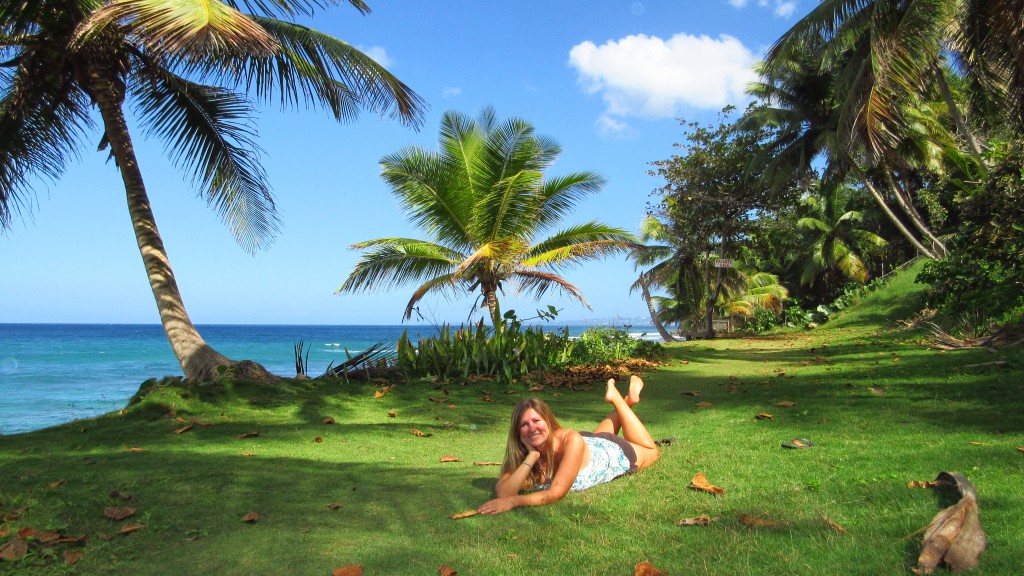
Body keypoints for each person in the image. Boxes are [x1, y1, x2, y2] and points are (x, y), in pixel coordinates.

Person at [477, 375, 660, 515]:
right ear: (517, 431)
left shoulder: (570, 440)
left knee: (653, 452)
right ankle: (627, 401)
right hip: (588, 444)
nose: (531, 428)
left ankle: (619, 399)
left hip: (610, 452)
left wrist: (514, 502)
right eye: (524, 424)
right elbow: (503, 492)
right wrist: (532, 457)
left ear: (548, 421)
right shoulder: (522, 451)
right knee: (595, 437)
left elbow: (556, 493)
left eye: (536, 421)